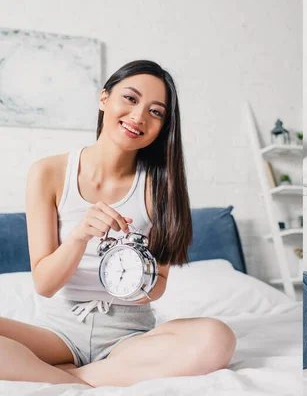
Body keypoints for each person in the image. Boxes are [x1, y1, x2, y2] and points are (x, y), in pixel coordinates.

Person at [0, 60, 236, 387]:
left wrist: (136, 273)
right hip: (56, 334)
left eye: (156, 112)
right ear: (104, 99)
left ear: (163, 126)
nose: (139, 116)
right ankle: (82, 377)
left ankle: (70, 379)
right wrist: (80, 236)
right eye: (130, 98)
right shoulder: (48, 173)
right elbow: (44, 284)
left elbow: (158, 285)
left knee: (217, 338)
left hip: (129, 338)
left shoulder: (162, 186)